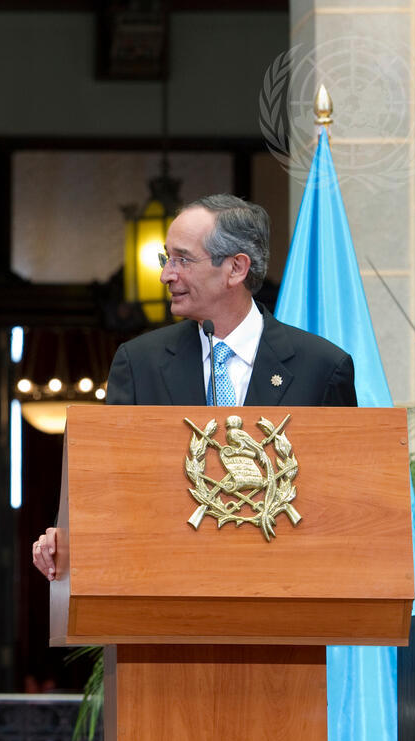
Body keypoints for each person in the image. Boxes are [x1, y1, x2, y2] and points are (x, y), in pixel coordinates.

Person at [31, 194, 356, 580]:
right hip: (164, 584)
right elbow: (108, 484)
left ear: (235, 268)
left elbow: (344, 501)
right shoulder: (140, 363)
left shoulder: (321, 367)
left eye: (183, 260)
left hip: (284, 585)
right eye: (166, 259)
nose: (167, 275)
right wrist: (68, 536)